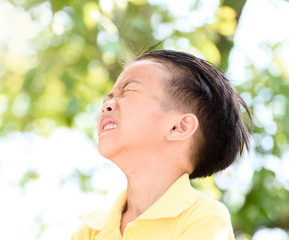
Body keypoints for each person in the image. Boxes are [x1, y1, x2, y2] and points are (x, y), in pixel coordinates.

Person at [71, 47, 252, 240]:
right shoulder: (91, 231)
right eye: (109, 97)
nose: (106, 105)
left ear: (179, 127)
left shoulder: (204, 217)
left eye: (128, 91)